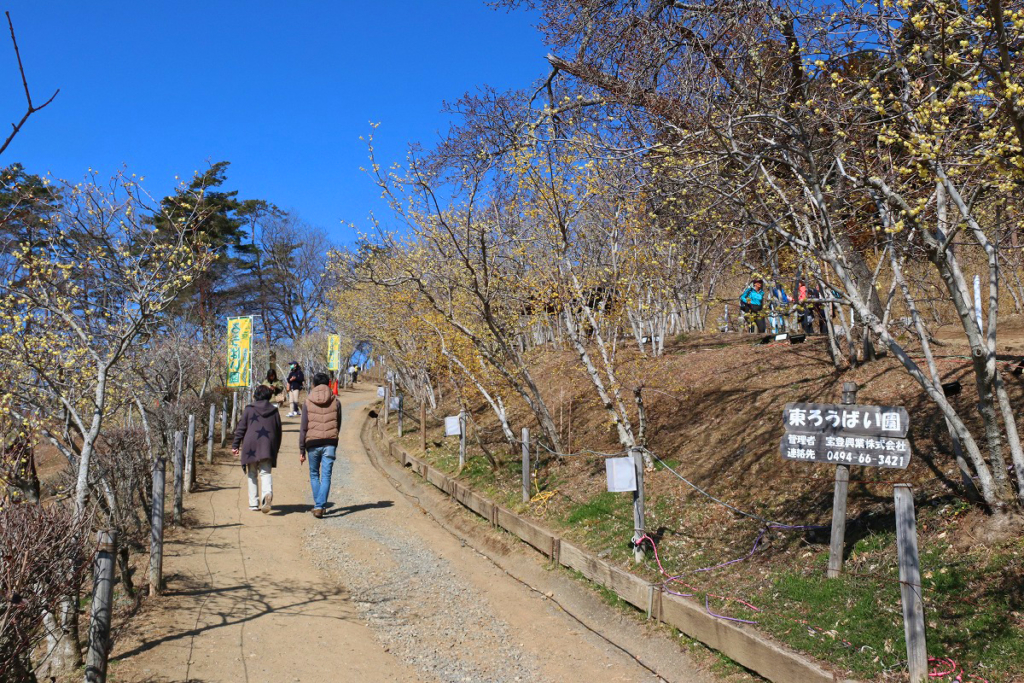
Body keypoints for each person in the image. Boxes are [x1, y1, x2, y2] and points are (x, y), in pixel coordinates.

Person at [231, 385, 282, 513]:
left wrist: (235, 445)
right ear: (269, 396)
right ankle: (267, 494)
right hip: (267, 445)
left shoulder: (249, 409)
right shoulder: (274, 411)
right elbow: (278, 431)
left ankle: (253, 503)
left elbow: (241, 428)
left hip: (250, 445)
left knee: (252, 473)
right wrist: (275, 448)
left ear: (255, 395)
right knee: (265, 473)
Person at [298, 372, 343, 518]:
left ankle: (318, 505)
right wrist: (334, 437)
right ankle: (320, 505)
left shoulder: (307, 401)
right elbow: (338, 422)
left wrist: (301, 449)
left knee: (314, 474)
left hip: (312, 443)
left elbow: (304, 427)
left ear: (314, 384)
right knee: (326, 475)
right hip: (330, 442)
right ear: (329, 383)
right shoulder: (336, 401)